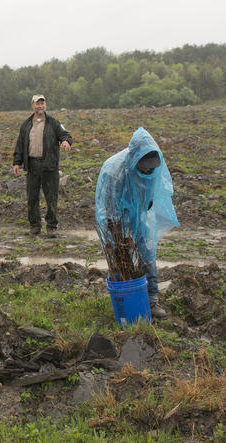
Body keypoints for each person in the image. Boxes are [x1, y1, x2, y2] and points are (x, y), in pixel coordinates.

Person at [94, 127, 179, 319]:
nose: (148, 170)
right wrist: (117, 230)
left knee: (147, 253)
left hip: (139, 215)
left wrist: (143, 211)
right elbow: (108, 206)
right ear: (135, 160)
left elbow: (153, 192)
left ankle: (152, 300)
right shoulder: (113, 172)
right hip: (116, 220)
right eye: (145, 167)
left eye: (151, 168)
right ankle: (124, 300)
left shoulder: (153, 168)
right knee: (120, 256)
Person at [12, 94, 72, 236]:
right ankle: (35, 225)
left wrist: (66, 141)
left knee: (51, 197)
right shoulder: (26, 124)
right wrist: (17, 163)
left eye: (42, 103)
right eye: (37, 103)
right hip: (32, 166)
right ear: (32, 105)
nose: (40, 106)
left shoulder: (54, 122)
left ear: (45, 105)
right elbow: (20, 145)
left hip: (49, 166)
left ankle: (51, 227)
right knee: (32, 197)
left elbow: (65, 135)